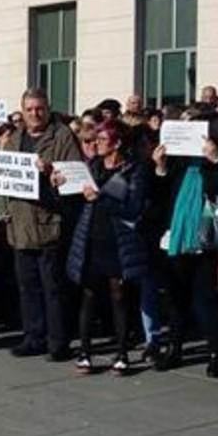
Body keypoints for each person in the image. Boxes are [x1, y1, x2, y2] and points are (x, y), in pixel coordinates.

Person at [153, 111, 218, 377]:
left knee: (207, 299)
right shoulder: (182, 163)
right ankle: (174, 348)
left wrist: (215, 160)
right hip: (177, 236)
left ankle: (216, 353)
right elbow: (161, 195)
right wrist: (161, 167)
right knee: (176, 298)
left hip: (209, 241)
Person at [0, 89, 81, 360]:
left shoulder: (62, 136)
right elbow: (2, 181)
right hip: (20, 224)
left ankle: (58, 343)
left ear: (48, 108)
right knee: (27, 286)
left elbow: (74, 177)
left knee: (53, 287)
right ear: (22, 111)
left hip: (49, 223)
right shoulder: (14, 139)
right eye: (30, 109)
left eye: (40, 109)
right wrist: (2, 211)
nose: (35, 114)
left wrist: (51, 173)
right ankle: (33, 337)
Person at [63, 120, 151, 374]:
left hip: (119, 240)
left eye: (102, 140)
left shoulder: (133, 170)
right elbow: (73, 194)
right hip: (91, 236)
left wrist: (101, 198)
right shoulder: (92, 166)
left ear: (117, 143)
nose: (96, 144)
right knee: (89, 295)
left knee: (119, 295)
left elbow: (133, 207)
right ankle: (85, 352)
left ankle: (122, 352)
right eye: (94, 140)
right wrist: (61, 183)